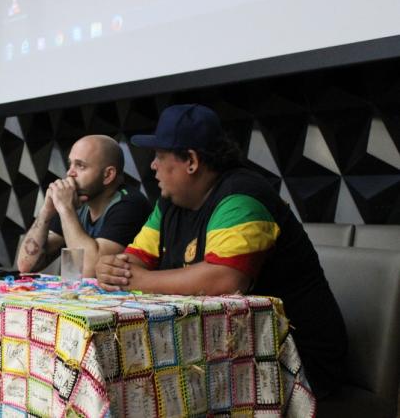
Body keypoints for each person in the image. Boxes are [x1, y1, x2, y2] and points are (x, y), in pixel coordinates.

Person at [95, 104, 347, 399]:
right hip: (227, 353)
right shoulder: (169, 203)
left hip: (296, 364)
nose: (153, 166)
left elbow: (225, 280)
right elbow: (134, 260)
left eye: (161, 157)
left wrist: (134, 280)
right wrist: (112, 269)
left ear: (191, 161)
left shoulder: (241, 197)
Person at [16, 135, 150, 277]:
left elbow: (89, 271)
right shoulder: (77, 205)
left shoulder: (130, 204)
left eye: (80, 166)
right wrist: (46, 211)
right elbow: (26, 265)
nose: (69, 173)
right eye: (70, 164)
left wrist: (65, 209)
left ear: (108, 175)